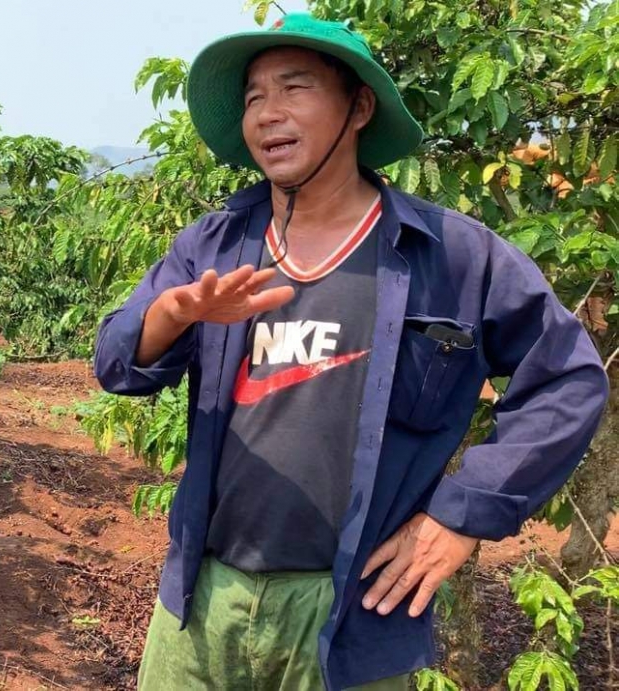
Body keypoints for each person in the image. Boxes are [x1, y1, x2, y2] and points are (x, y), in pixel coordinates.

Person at [92, 12, 609, 691]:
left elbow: (569, 376)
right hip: (201, 602)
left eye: (294, 88)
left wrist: (463, 514)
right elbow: (115, 360)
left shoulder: (453, 256)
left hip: (352, 614)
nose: (267, 114)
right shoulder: (212, 247)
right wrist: (167, 315)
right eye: (253, 97)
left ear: (358, 106)